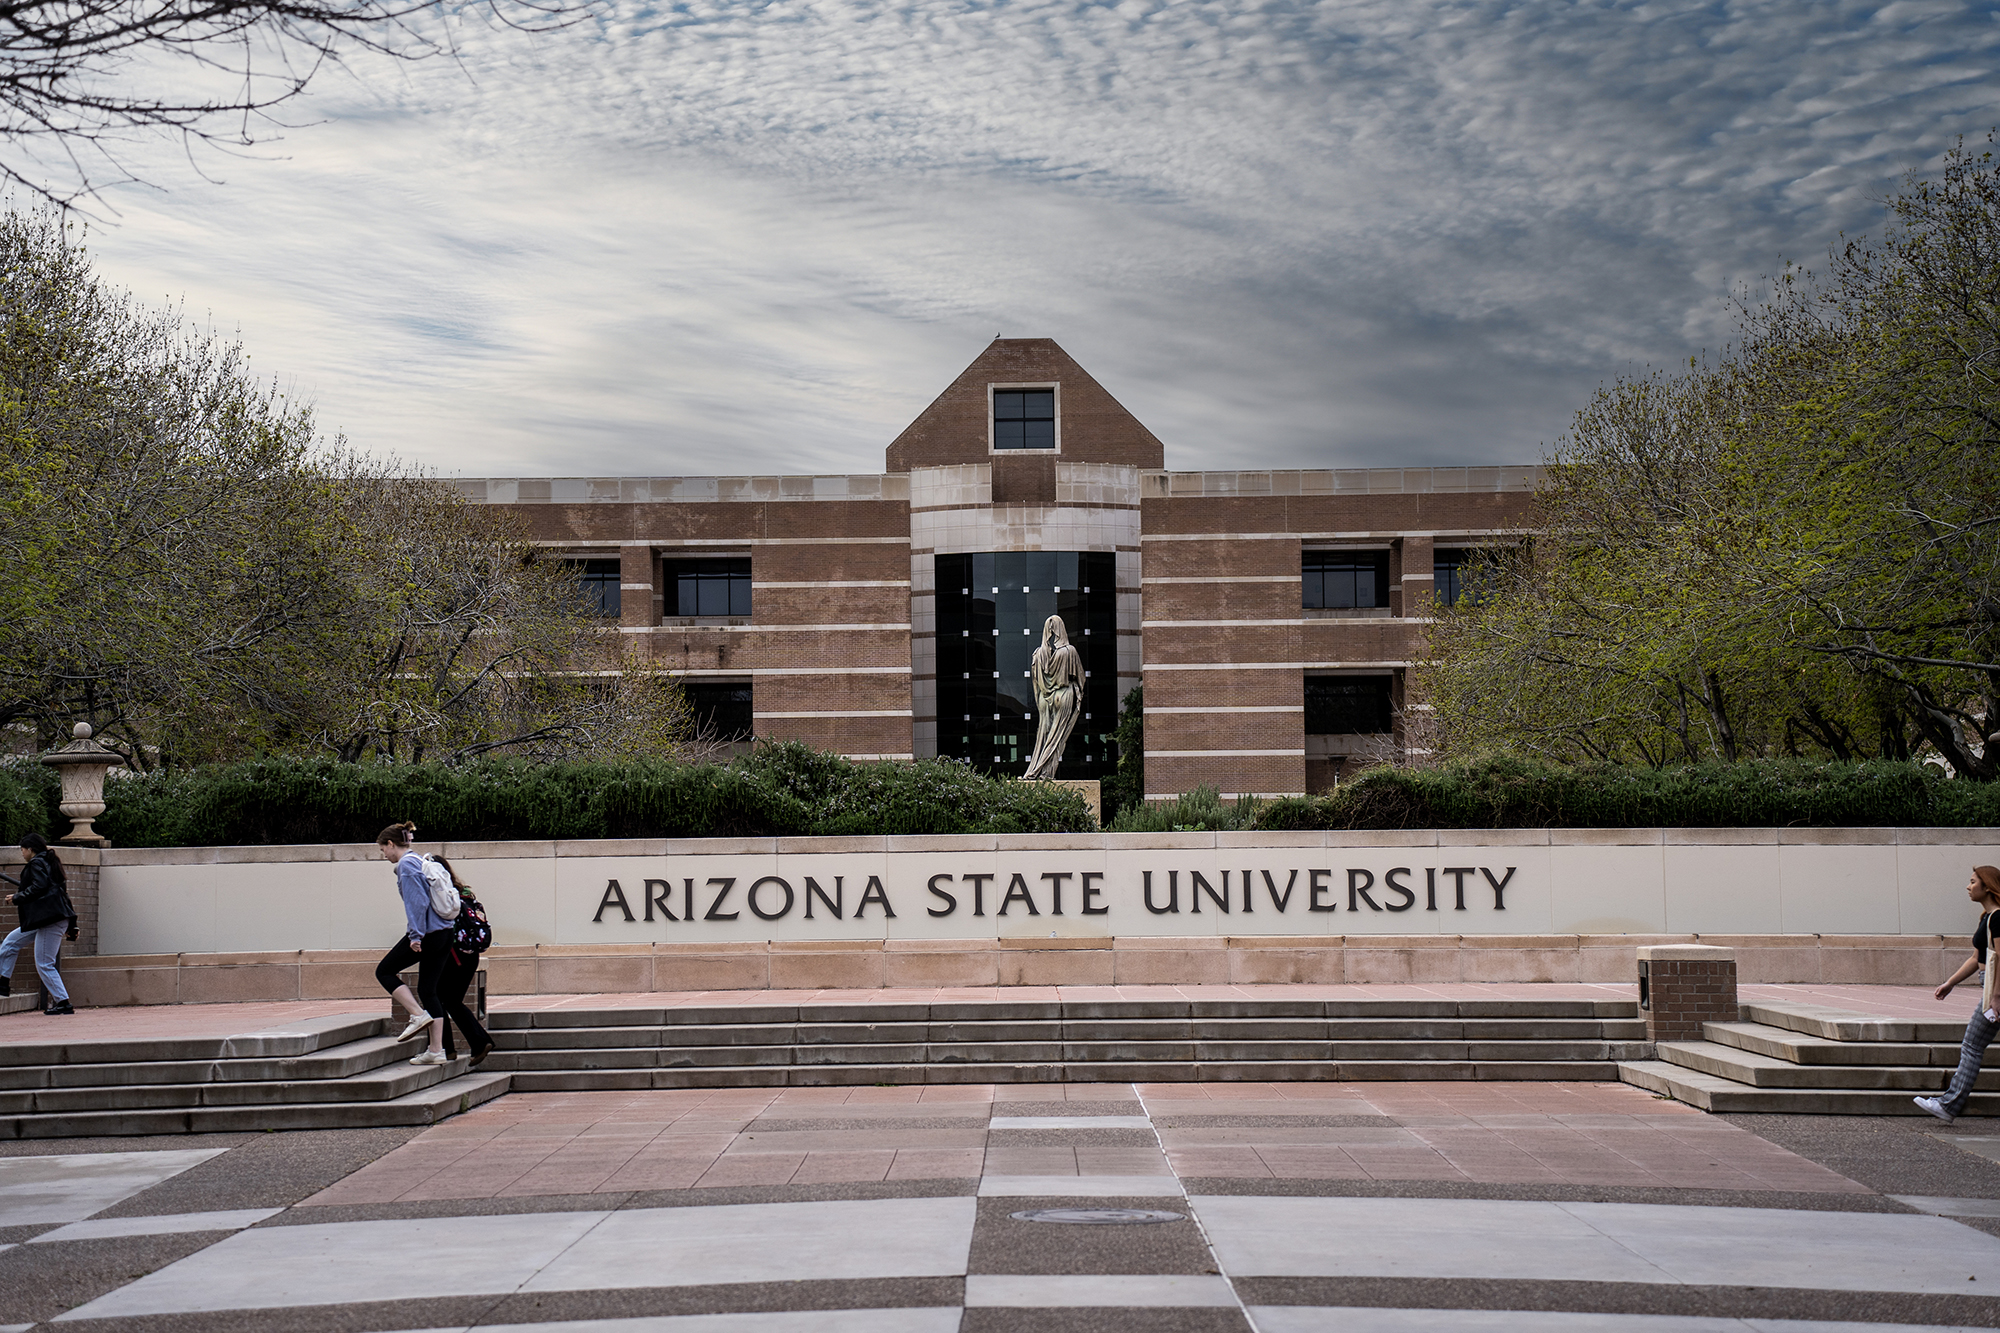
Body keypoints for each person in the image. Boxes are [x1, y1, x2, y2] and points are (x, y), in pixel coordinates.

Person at [1915, 865, 2000, 1121]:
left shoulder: (1998, 918)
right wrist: (1950, 983)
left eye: (1973, 881)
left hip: (1996, 989)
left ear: (1987, 886)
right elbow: (1977, 958)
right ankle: (1949, 1104)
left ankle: (1950, 1104)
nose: (1968, 886)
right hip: (1991, 986)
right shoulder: (1987, 918)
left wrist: (1996, 996)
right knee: (1973, 1045)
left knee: (1972, 1045)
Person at [371, 821, 455, 1066]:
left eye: (382, 849)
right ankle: (437, 1050)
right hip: (444, 932)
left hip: (427, 933)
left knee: (384, 971)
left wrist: (415, 936)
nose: (383, 854)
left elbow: (417, 904)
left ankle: (417, 1015)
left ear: (390, 843)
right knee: (428, 990)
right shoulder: (419, 860)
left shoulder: (406, 865)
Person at [0, 834, 78, 1015]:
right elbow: (62, 895)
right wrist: (72, 924)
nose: (21, 853)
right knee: (10, 944)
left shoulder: (36, 864)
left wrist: (18, 897)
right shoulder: (49, 863)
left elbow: (40, 886)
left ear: (30, 849)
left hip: (49, 920)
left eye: (22, 849)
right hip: (46, 919)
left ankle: (63, 1002)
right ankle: (3, 983)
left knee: (44, 963)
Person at [430, 856, 493, 1068]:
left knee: (436, 996)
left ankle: (449, 1047)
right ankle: (473, 1043)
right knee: (450, 1000)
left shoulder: (442, 896)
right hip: (470, 956)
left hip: (453, 956)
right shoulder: (465, 893)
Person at [1023, 613, 1084, 781]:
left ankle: (1034, 769)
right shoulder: (1069, 651)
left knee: (1042, 736)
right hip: (1064, 694)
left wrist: (1043, 696)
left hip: (1044, 699)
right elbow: (1080, 678)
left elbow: (1035, 684)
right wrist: (1077, 692)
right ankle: (1046, 772)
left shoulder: (1038, 654)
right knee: (1057, 737)